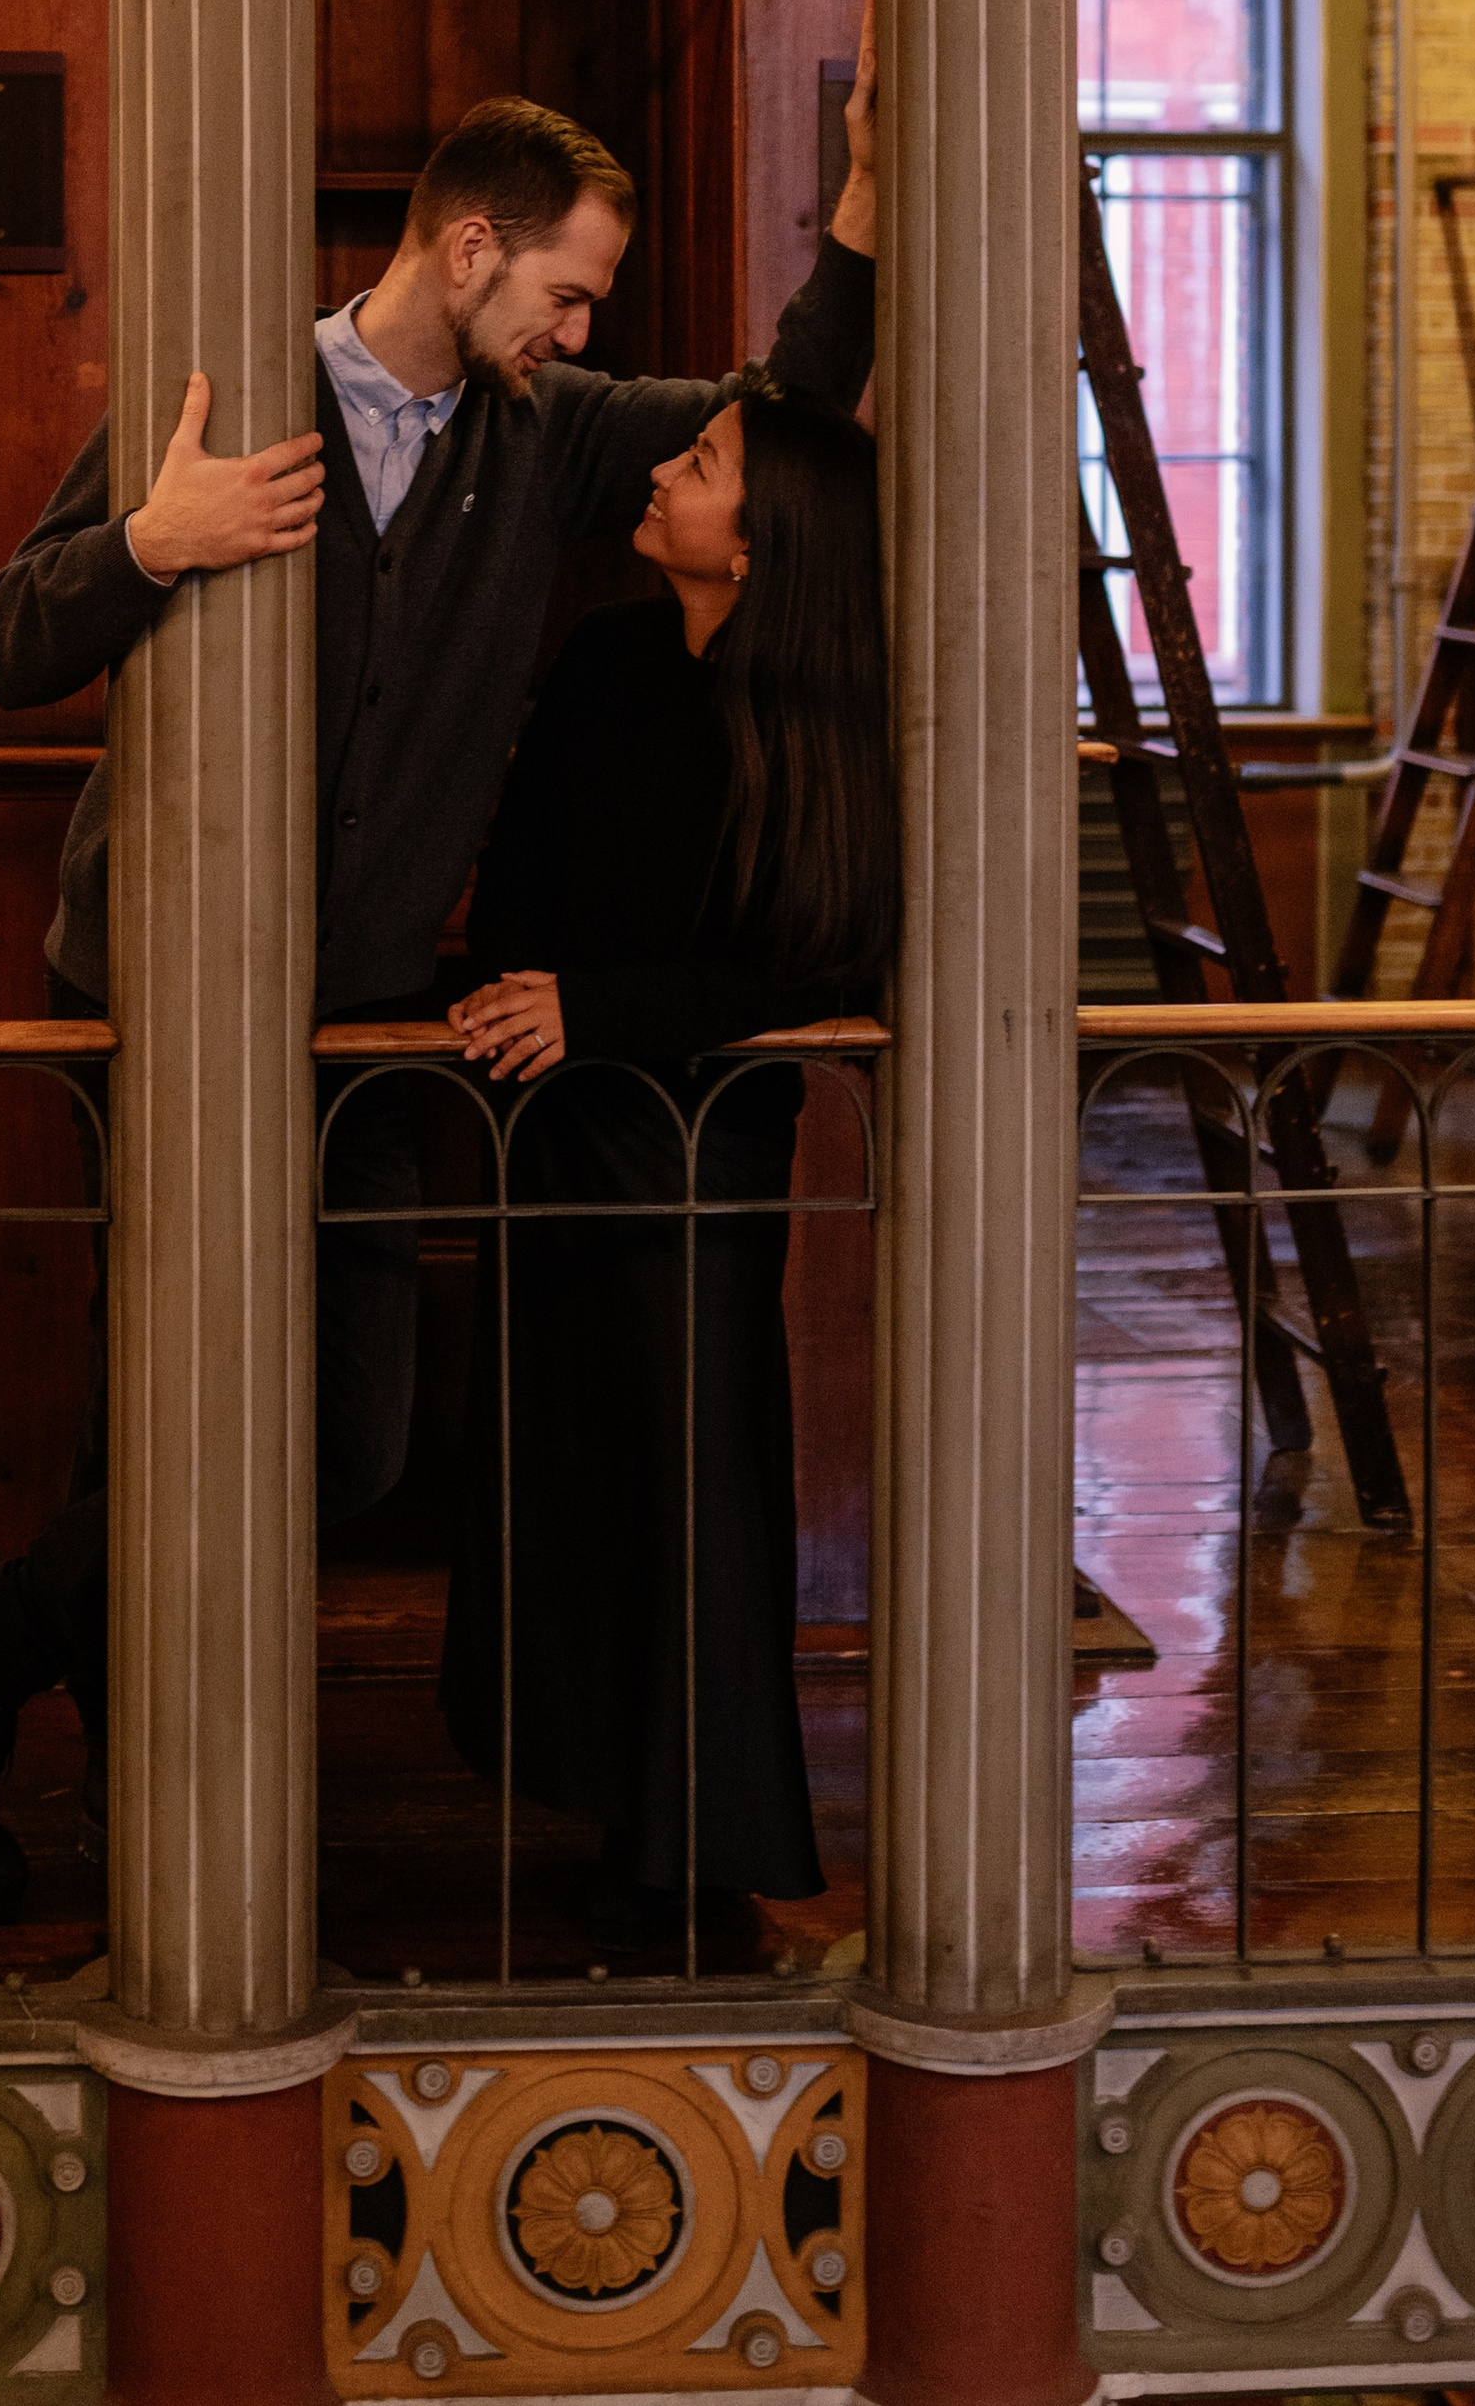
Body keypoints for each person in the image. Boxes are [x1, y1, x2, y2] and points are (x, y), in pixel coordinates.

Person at [0, 11, 878, 1919]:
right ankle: (108, 1814)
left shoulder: (547, 441)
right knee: (156, 1421)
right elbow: (3, 637)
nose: (585, 331)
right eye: (569, 290)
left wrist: (874, 215)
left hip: (359, 1026)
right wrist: (156, 537)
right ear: (473, 248)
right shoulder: (232, 394)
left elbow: (779, 407)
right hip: (157, 1003)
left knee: (343, 1442)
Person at [443, 379, 898, 1937]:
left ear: (760, 547)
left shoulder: (830, 714)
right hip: (559, 1128)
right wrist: (538, 1006)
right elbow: (513, 893)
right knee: (573, 1477)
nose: (661, 474)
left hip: (702, 1156)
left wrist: (600, 1009)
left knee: (696, 1484)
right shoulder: (605, 659)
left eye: (697, 466)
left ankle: (708, 1851)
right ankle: (616, 1816)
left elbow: (824, 960)